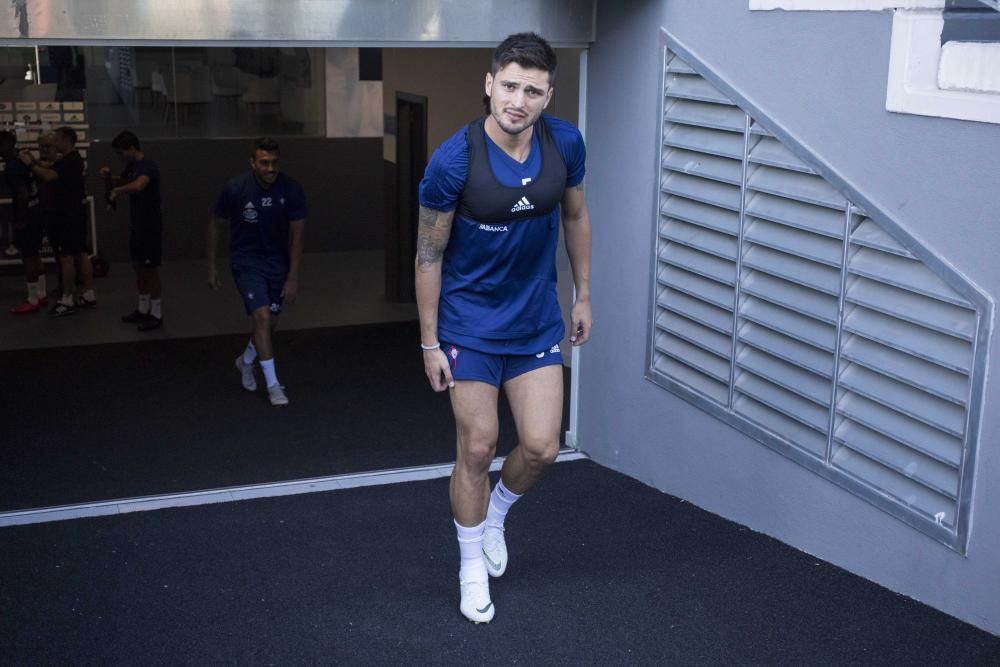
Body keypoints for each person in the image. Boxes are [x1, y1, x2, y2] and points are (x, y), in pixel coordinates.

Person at [415, 32, 593, 624]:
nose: (518, 100)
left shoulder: (564, 143)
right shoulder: (454, 160)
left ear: (548, 96)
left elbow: (576, 214)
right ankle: (470, 568)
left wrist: (583, 295)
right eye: (509, 85)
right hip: (469, 323)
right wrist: (429, 342)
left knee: (543, 448)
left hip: (536, 317)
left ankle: (496, 514)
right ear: (490, 83)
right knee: (479, 446)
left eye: (532, 90)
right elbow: (428, 255)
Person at [207, 138, 306, 407]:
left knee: (270, 323)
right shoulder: (235, 189)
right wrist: (213, 266)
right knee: (261, 318)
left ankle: (246, 361)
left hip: (278, 264)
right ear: (253, 163)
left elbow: (297, 235)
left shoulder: (292, 189)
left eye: (274, 162)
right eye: (264, 163)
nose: (270, 168)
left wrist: (293, 277)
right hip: (246, 262)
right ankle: (273, 385)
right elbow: (215, 224)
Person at [20, 125, 94, 317]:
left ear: (66, 140)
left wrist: (29, 164)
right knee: (80, 253)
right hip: (75, 213)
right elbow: (50, 167)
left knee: (66, 256)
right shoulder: (72, 159)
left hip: (67, 215)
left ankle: (67, 299)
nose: (54, 143)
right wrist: (36, 161)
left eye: (57, 139)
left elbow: (48, 175)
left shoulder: (69, 161)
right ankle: (88, 293)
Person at [100, 131, 164, 331]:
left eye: (121, 153)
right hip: (137, 224)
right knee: (138, 266)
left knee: (149, 269)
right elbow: (124, 181)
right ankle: (143, 308)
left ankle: (156, 313)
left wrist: (117, 191)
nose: (120, 157)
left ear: (132, 149)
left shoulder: (148, 167)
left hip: (150, 226)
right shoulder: (133, 166)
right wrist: (110, 178)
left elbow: (138, 185)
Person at [1, 131, 47, 313]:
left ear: (7, 145)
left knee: (28, 257)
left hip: (27, 215)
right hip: (36, 211)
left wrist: (20, 218)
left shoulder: (12, 167)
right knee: (35, 254)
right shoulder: (24, 159)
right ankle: (42, 294)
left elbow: (23, 193)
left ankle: (32, 299)